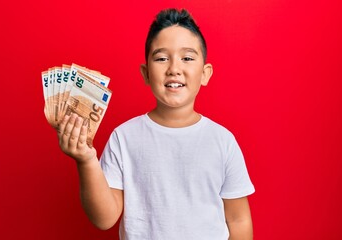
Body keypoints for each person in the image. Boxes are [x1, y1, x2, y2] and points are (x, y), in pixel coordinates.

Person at [57, 8, 255, 240]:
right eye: (161, 58)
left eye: (188, 58)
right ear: (146, 73)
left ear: (205, 73)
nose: (174, 69)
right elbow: (104, 219)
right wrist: (86, 160)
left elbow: (238, 219)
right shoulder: (124, 137)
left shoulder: (223, 141)